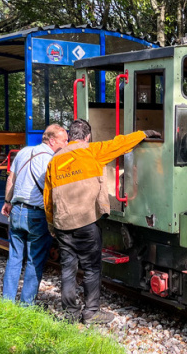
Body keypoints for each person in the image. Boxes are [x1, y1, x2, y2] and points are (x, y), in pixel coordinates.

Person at [44, 119, 160, 324]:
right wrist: (144, 133)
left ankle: (70, 314)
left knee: (68, 269)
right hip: (86, 222)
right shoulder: (92, 151)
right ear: (87, 137)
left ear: (70, 136)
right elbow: (120, 143)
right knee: (91, 268)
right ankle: (91, 313)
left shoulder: (55, 160)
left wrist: (52, 224)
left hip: (63, 224)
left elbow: (47, 197)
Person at [0, 124, 68, 305]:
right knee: (34, 260)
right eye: (64, 140)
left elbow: (11, 179)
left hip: (16, 211)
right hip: (36, 215)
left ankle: (6, 302)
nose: (66, 144)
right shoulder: (52, 161)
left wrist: (7, 202)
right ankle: (26, 305)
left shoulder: (23, 152)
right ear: (52, 141)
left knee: (14, 257)